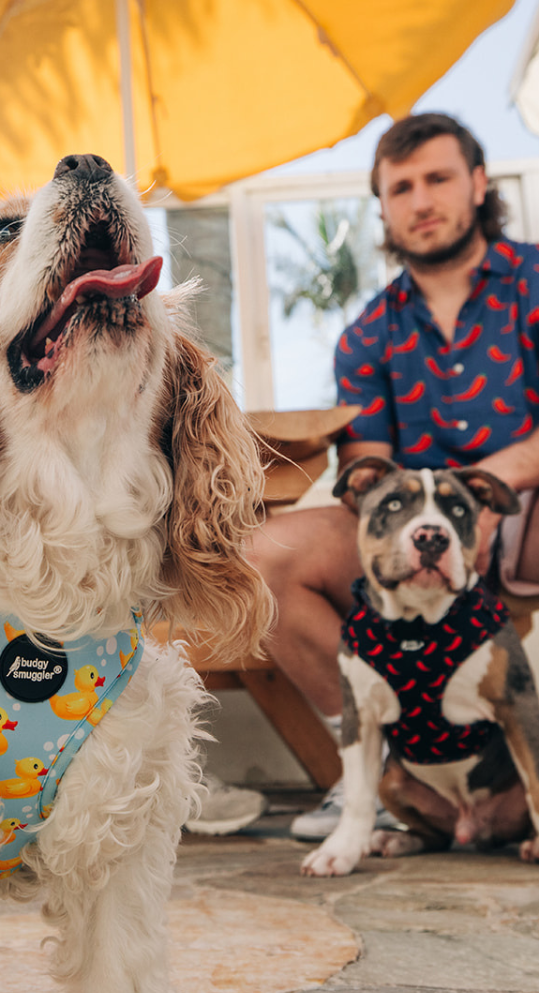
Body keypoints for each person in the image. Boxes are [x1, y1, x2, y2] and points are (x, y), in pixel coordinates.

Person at [190, 111, 539, 840]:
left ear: (478, 184)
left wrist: (485, 490)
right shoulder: (368, 332)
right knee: (265, 555)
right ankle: (380, 777)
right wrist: (430, 524)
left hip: (526, 510)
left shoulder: (534, 284)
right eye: (401, 186)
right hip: (418, 524)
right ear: (382, 206)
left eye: (438, 178)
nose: (421, 200)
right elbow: (363, 479)